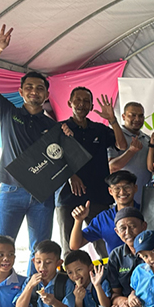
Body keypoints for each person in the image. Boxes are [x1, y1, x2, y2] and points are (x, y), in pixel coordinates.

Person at [0, 25, 67, 274]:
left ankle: (32, 301)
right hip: (11, 190)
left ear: (46, 93)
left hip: (42, 195)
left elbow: (63, 160)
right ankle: (0, 299)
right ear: (21, 91)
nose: (34, 91)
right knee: (0, 249)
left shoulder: (54, 126)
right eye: (29, 87)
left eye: (39, 88)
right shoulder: (7, 113)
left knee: (41, 254)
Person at [55, 87, 127, 257]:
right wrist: (70, 175)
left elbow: (122, 146)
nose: (82, 104)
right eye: (78, 100)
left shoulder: (99, 129)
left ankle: (109, 281)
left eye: (86, 101)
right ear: (69, 103)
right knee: (69, 249)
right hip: (67, 196)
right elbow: (51, 160)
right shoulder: (60, 129)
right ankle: (72, 283)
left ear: (91, 105)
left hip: (97, 195)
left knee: (106, 246)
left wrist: (112, 120)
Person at [69, 170, 139, 256]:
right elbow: (75, 245)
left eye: (127, 187)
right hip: (116, 268)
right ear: (110, 191)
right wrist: (78, 221)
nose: (122, 192)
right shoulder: (104, 218)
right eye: (117, 188)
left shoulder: (147, 210)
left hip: (146, 267)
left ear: (135, 188)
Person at [108, 102, 152, 201]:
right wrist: (131, 151)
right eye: (132, 115)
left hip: (146, 200)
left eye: (140, 116)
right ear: (123, 116)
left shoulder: (147, 139)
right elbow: (111, 167)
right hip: (122, 200)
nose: (137, 119)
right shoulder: (114, 136)